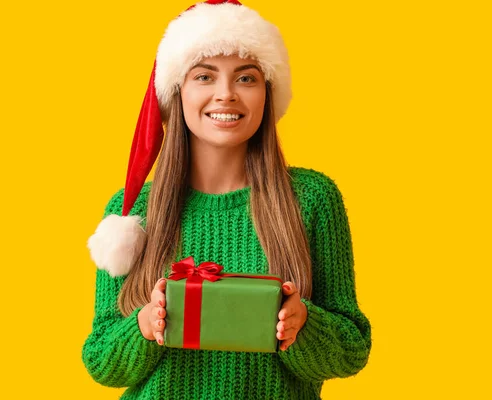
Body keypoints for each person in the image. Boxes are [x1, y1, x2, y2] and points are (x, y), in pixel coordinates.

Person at [82, 1, 372, 398]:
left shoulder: (312, 200)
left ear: (267, 93)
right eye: (204, 76)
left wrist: (303, 324)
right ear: (177, 91)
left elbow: (351, 350)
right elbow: (100, 360)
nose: (226, 95)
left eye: (246, 78)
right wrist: (145, 325)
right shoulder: (131, 214)